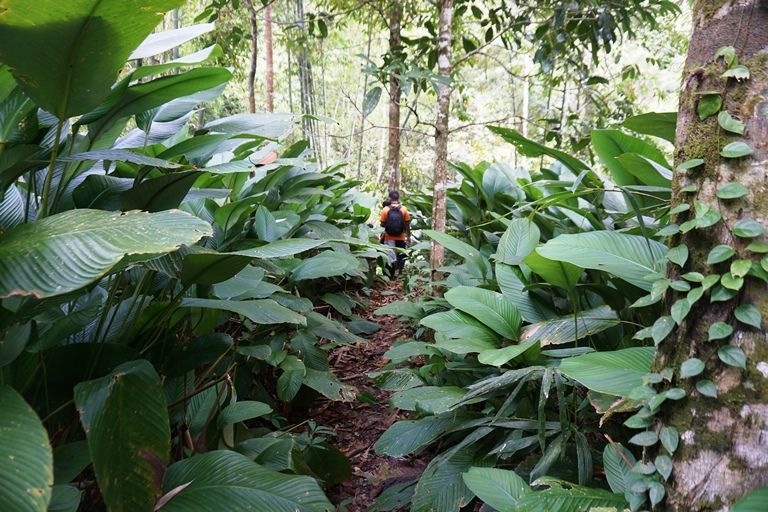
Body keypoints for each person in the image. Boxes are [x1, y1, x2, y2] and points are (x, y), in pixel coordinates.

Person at [379, 190, 411, 276]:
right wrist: (408, 236)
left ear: (390, 198)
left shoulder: (385, 210)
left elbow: (382, 224)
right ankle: (399, 273)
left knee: (389, 256)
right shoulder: (404, 209)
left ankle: (389, 275)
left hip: (388, 237)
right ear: (398, 198)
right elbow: (407, 224)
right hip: (400, 237)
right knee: (401, 255)